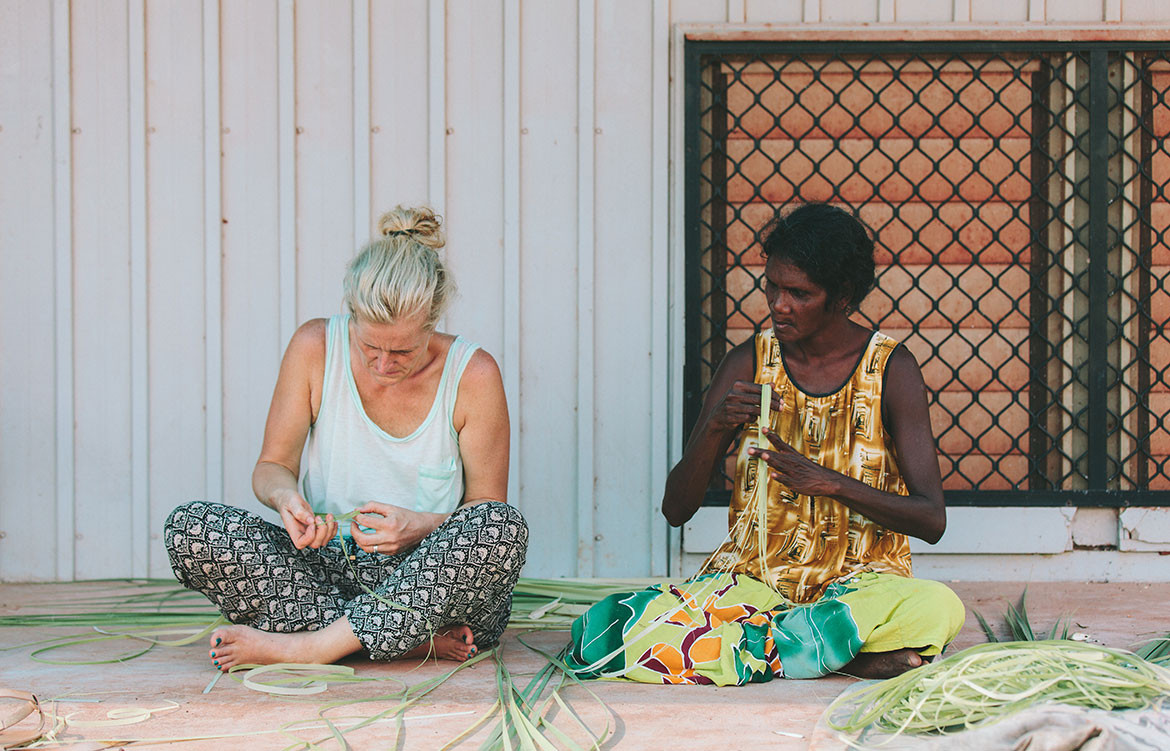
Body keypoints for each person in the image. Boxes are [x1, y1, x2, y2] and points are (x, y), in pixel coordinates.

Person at [566, 202, 964, 685]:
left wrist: (831, 483)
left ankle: (762, 647)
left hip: (859, 587)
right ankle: (827, 652)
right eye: (772, 285)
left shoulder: (892, 370)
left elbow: (931, 519)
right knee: (603, 632)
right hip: (756, 583)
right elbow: (676, 509)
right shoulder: (748, 362)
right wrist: (715, 429)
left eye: (799, 293)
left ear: (842, 298)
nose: (779, 303)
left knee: (938, 608)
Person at [165, 206, 528, 672]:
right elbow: (271, 465)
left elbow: (484, 506)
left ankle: (312, 645)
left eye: (402, 351)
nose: (382, 365)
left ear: (432, 323)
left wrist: (419, 526)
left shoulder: (473, 374)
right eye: (369, 346)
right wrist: (286, 498)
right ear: (351, 316)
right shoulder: (314, 347)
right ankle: (399, 641)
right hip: (326, 570)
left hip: (431, 584)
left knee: (501, 527)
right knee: (191, 528)